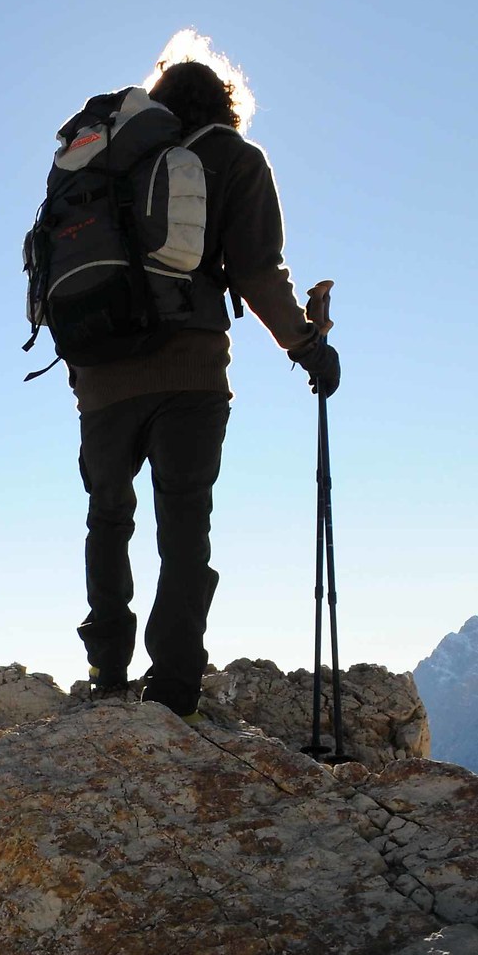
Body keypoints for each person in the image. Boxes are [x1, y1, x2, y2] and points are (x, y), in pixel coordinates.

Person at [72, 41, 340, 716]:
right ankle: (174, 686)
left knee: (108, 519)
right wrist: (306, 346)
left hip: (99, 378)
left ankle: (107, 673)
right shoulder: (234, 158)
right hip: (189, 372)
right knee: (183, 527)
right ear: (228, 102)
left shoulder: (109, 164)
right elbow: (256, 272)